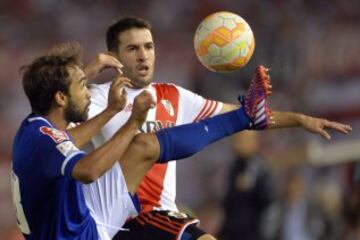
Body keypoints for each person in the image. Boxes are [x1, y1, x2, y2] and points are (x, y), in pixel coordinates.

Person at [86, 17, 352, 240]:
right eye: (133, 49)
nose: (143, 55)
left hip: (159, 216)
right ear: (113, 57)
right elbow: (48, 117)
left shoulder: (173, 96)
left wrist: (300, 119)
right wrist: (87, 72)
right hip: (125, 215)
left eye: (149, 46)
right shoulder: (96, 97)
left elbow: (244, 116)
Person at [11, 42, 279, 239]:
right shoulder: (43, 138)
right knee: (136, 141)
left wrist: (112, 110)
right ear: (60, 98)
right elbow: (88, 171)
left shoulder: (34, 129)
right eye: (83, 85)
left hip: (78, 223)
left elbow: (68, 138)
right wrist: (133, 122)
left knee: (144, 146)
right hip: (83, 236)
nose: (89, 92)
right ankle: (244, 117)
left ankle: (245, 116)